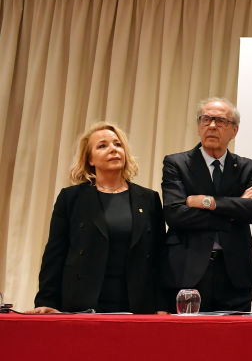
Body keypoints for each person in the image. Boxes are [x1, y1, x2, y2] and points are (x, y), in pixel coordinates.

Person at [30, 122, 165, 314]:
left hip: (137, 304)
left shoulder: (149, 199)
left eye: (118, 145)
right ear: (90, 159)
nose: (113, 150)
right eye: (102, 146)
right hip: (82, 303)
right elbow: (55, 253)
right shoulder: (71, 198)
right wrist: (45, 300)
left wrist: (162, 305)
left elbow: (159, 257)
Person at [163, 97, 252, 312]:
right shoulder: (176, 164)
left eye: (220, 121)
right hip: (188, 272)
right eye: (206, 119)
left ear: (234, 130)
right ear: (199, 126)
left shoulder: (247, 167)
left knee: (233, 342)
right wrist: (234, 211)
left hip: (235, 274)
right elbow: (175, 214)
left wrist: (205, 202)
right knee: (185, 342)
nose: (211, 126)